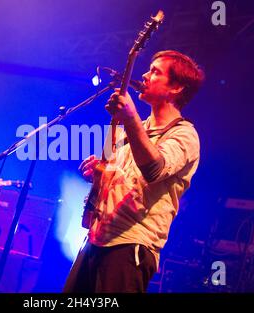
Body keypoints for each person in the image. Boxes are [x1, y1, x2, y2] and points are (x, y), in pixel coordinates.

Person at [63, 50, 205, 293]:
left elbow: (153, 170)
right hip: (96, 240)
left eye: (155, 72)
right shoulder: (127, 130)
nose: (145, 75)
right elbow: (127, 180)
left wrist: (130, 119)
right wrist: (101, 172)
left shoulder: (185, 135)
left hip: (131, 246)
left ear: (177, 88)